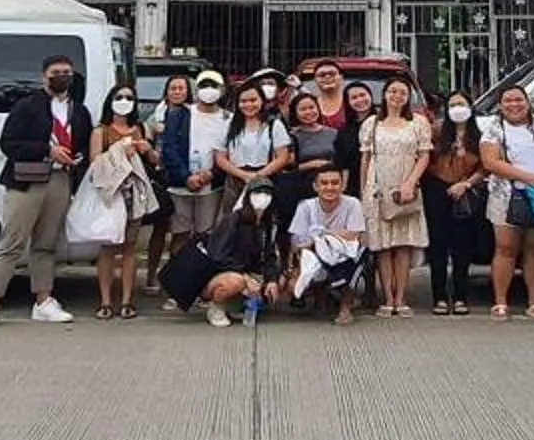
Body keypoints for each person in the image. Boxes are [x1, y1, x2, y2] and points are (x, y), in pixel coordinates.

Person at [0, 53, 85, 331]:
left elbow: (83, 142)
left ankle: (43, 300)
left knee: (46, 244)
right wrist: (47, 150)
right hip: (27, 179)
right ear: (44, 76)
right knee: (12, 241)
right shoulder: (27, 105)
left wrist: (77, 158)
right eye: (57, 72)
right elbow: (8, 143)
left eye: (67, 72)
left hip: (61, 179)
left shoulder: (79, 110)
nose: (63, 77)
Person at [482, 83, 534, 320]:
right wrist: (527, 176)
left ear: (527, 102)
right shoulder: (494, 128)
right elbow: (490, 162)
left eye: (519, 99)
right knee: (506, 247)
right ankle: (500, 302)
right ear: (500, 105)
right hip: (506, 195)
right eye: (508, 100)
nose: (514, 105)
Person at [358, 77, 433, 317]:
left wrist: (410, 183)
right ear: (384, 94)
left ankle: (401, 298)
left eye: (402, 92)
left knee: (403, 245)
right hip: (378, 189)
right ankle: (387, 298)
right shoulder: (371, 123)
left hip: (407, 186)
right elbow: (365, 159)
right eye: (392, 91)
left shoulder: (418, 122)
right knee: (382, 247)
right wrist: (363, 191)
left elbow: (424, 155)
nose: (397, 96)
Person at [85, 84, 154, 319]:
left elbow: (154, 160)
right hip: (110, 195)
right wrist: (120, 151)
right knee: (107, 247)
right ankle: (105, 301)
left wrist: (147, 149)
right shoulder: (101, 131)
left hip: (134, 195)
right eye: (119, 97)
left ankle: (127, 300)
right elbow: (95, 163)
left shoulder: (140, 129)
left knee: (130, 247)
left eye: (129, 98)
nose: (124, 101)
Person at [422, 96, 485, 313]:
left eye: (462, 105)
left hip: (465, 190)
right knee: (438, 244)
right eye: (453, 105)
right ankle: (439, 296)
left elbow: (484, 167)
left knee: (463, 246)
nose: (458, 109)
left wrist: (466, 184)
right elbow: (424, 157)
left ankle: (460, 297)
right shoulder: (436, 131)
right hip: (436, 189)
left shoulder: (478, 136)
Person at [287, 163, 370, 322]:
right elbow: (296, 242)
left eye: (335, 183)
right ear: (315, 187)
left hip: (346, 254)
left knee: (351, 257)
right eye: (324, 183)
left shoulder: (353, 204)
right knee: (294, 285)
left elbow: (354, 235)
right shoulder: (306, 207)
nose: (330, 187)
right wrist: (293, 269)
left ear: (342, 185)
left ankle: (345, 307)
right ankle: (321, 300)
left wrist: (323, 235)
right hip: (315, 254)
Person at [142, 73, 201, 291]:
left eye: (181, 88)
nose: (177, 92)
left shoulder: (194, 114)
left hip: (185, 176)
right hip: (161, 177)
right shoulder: (155, 116)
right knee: (159, 229)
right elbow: (146, 141)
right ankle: (151, 275)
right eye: (172, 88)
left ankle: (176, 276)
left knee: (182, 233)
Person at [194, 185, 285, 327]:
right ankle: (217, 307)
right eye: (258, 192)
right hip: (221, 274)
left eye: (267, 193)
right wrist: (245, 278)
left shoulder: (268, 224)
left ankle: (236, 305)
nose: (263, 196)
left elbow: (270, 256)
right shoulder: (233, 220)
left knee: (280, 281)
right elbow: (217, 257)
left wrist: (272, 279)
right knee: (236, 282)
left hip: (250, 271)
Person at [217, 82, 292, 208]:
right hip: (235, 180)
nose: (248, 105)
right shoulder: (228, 125)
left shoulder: (274, 125)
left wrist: (258, 176)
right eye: (243, 101)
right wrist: (244, 175)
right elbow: (220, 158)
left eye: (253, 100)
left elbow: (283, 157)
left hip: (265, 179)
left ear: (262, 101)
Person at [282, 91, 345, 236]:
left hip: (330, 186)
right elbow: (287, 168)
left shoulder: (333, 133)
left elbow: (341, 161)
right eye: (303, 109)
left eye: (311, 107)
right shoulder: (291, 136)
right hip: (302, 188)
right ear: (295, 113)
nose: (308, 112)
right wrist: (313, 164)